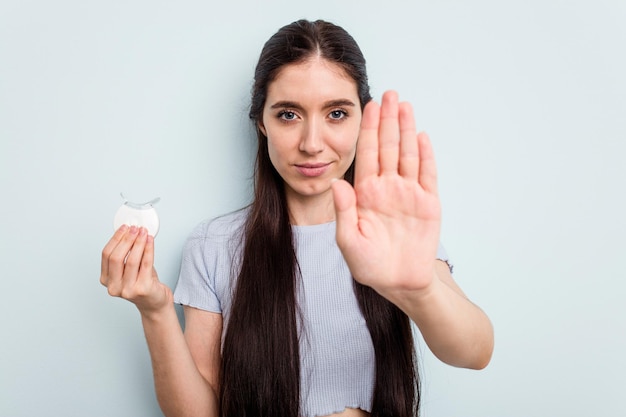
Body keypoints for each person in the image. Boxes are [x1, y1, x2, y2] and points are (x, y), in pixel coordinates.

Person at [100, 19, 494, 417]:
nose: (312, 144)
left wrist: (419, 290)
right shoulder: (213, 246)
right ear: (261, 121)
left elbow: (476, 352)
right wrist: (156, 311)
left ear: (363, 118)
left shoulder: (393, 234)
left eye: (336, 113)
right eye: (289, 115)